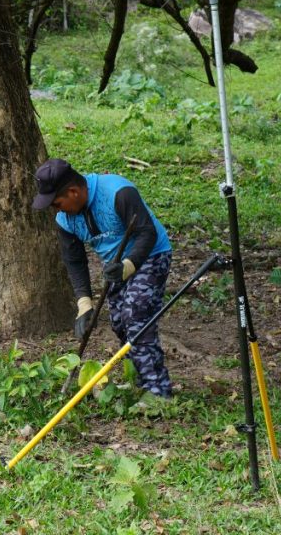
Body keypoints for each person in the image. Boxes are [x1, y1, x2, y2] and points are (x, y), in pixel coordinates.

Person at [32, 158, 174, 397]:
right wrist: (84, 304)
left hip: (151, 255)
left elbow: (146, 233)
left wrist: (129, 266)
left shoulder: (118, 192)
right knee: (119, 321)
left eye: (57, 203)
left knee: (136, 314)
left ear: (74, 192)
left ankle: (158, 391)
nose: (57, 210)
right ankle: (139, 379)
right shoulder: (65, 220)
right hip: (115, 266)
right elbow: (74, 260)